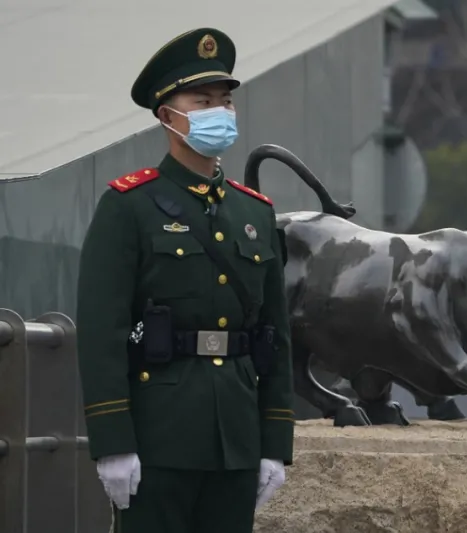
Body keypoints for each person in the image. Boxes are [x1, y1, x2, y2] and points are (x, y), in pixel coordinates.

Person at [76, 27, 294, 533]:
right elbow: (101, 332)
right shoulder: (128, 207)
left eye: (226, 101)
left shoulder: (254, 211)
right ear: (168, 115)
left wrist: (274, 444)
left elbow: (276, 337)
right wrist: (112, 443)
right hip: (159, 438)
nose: (220, 111)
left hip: (236, 439)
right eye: (203, 100)